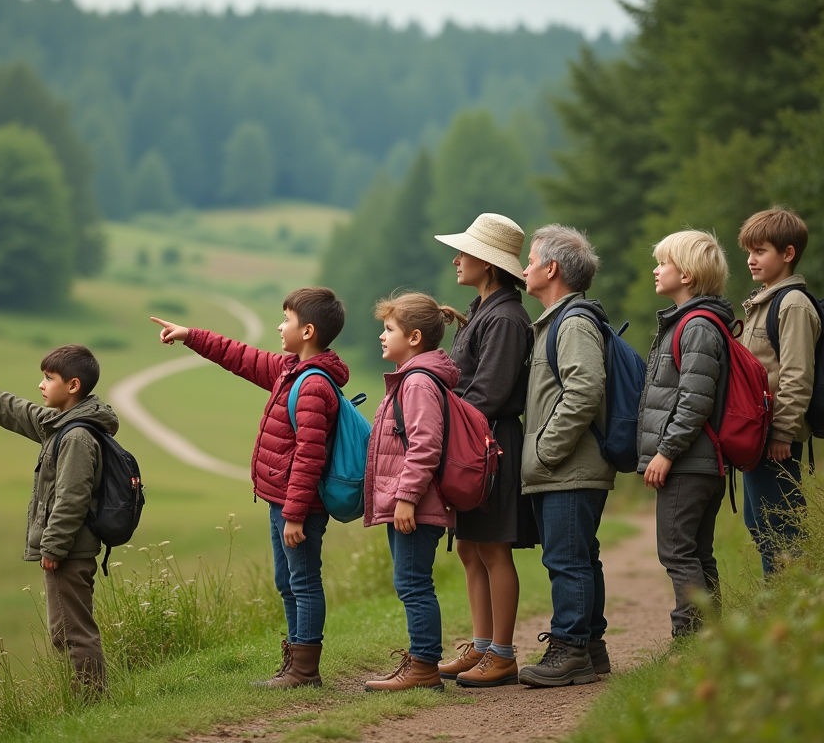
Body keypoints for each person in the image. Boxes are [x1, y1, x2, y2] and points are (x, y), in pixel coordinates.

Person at [150, 287, 348, 688]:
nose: (279, 325)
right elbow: (241, 356)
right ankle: (295, 663)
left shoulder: (312, 385)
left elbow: (310, 457)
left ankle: (304, 670)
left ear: (307, 330)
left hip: (299, 507)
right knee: (287, 581)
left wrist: (294, 514)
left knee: (304, 581)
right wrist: (191, 335)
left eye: (286, 319)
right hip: (283, 502)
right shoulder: (290, 370)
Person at [0, 344, 114, 697]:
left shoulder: (75, 436)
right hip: (70, 550)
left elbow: (71, 499)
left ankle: (93, 701)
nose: (41, 384)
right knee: (67, 631)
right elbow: (17, 410)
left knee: (73, 633)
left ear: (73, 386)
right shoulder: (62, 424)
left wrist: (53, 547)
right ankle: (90, 698)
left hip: (70, 552)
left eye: (49, 378)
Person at [431, 213, 536, 688]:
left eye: (465, 252)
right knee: (471, 548)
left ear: (489, 264)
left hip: (491, 444)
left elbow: (488, 392)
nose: (456, 259)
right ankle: (480, 646)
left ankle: (504, 653)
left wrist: (439, 416)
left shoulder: (507, 318)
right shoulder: (483, 309)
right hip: (474, 440)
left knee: (494, 549)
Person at [515, 224, 615, 687]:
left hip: (569, 469)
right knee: (580, 556)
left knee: (566, 560)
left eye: (531, 260)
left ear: (551, 268)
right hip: (570, 467)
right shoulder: (559, 321)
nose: (524, 268)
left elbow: (585, 390)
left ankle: (569, 649)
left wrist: (544, 451)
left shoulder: (571, 323)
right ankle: (591, 650)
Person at [637, 230, 735, 638]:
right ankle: (714, 639)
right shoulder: (691, 323)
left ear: (689, 275)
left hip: (689, 463)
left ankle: (692, 641)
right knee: (697, 552)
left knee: (677, 552)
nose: (656, 270)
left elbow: (694, 401)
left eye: (664, 263)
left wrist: (666, 452)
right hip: (701, 463)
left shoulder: (695, 327)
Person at [363, 292, 459, 692]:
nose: (382, 336)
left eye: (389, 329)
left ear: (414, 337)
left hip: (416, 505)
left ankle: (423, 668)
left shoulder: (417, 382)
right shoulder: (411, 378)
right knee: (410, 582)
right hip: (411, 503)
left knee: (414, 583)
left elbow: (425, 445)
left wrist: (406, 498)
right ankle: (421, 663)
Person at [737, 206, 819, 576]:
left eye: (761, 251)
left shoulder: (793, 304)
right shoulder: (763, 300)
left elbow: (797, 374)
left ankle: (792, 607)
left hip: (775, 439)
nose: (751, 260)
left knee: (781, 529)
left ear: (788, 254)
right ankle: (784, 604)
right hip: (759, 437)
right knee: (760, 523)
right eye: (749, 252)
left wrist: (784, 431)